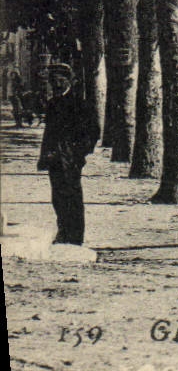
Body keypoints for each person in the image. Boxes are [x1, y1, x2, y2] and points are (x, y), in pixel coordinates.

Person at [36, 62, 99, 244]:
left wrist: (78, 153)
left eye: (58, 80)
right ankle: (63, 231)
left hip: (70, 159)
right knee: (57, 197)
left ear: (67, 81)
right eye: (52, 81)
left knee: (72, 197)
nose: (54, 84)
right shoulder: (53, 103)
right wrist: (45, 154)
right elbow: (49, 133)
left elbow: (93, 132)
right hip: (54, 158)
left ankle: (75, 236)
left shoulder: (79, 104)